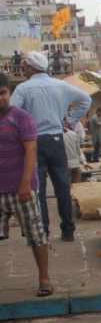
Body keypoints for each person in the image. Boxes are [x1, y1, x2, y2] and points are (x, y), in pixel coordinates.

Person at [11, 51, 91, 241]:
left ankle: (43, 231)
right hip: (57, 140)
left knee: (37, 189)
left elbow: (12, 113)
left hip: (33, 142)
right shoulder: (61, 85)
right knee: (62, 186)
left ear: (31, 67)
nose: (22, 69)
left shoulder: (23, 88)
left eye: (24, 67)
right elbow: (85, 100)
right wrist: (70, 121)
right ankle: (68, 230)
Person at [0, 72, 51, 297]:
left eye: (2, 93)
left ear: (9, 92)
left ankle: (44, 279)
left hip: (22, 189)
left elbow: (31, 151)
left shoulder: (21, 117)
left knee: (36, 234)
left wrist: (24, 184)